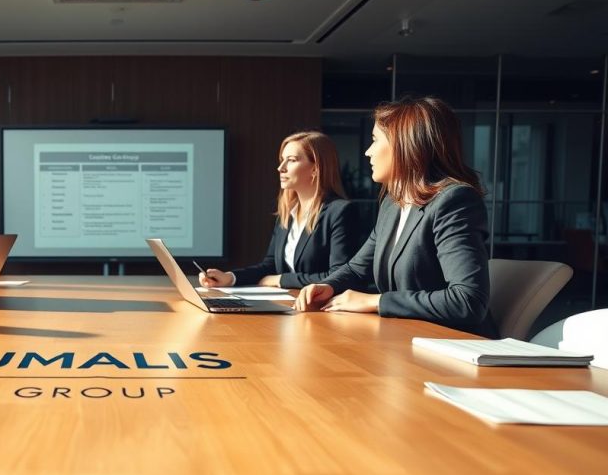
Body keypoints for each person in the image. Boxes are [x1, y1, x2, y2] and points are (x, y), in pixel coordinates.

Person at [295, 96, 496, 337]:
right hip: (404, 340)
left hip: (452, 347)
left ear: (404, 145)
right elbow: (359, 269)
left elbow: (467, 301)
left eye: (374, 141)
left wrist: (376, 302)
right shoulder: (393, 203)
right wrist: (327, 286)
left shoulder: (454, 201)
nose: (368, 152)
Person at [200, 131, 355, 289]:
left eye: (291, 160)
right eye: (282, 160)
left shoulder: (339, 212)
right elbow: (270, 265)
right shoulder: (288, 214)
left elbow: (339, 275)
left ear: (315, 168)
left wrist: (281, 280)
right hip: (289, 306)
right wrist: (230, 278)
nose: (281, 168)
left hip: (321, 310)